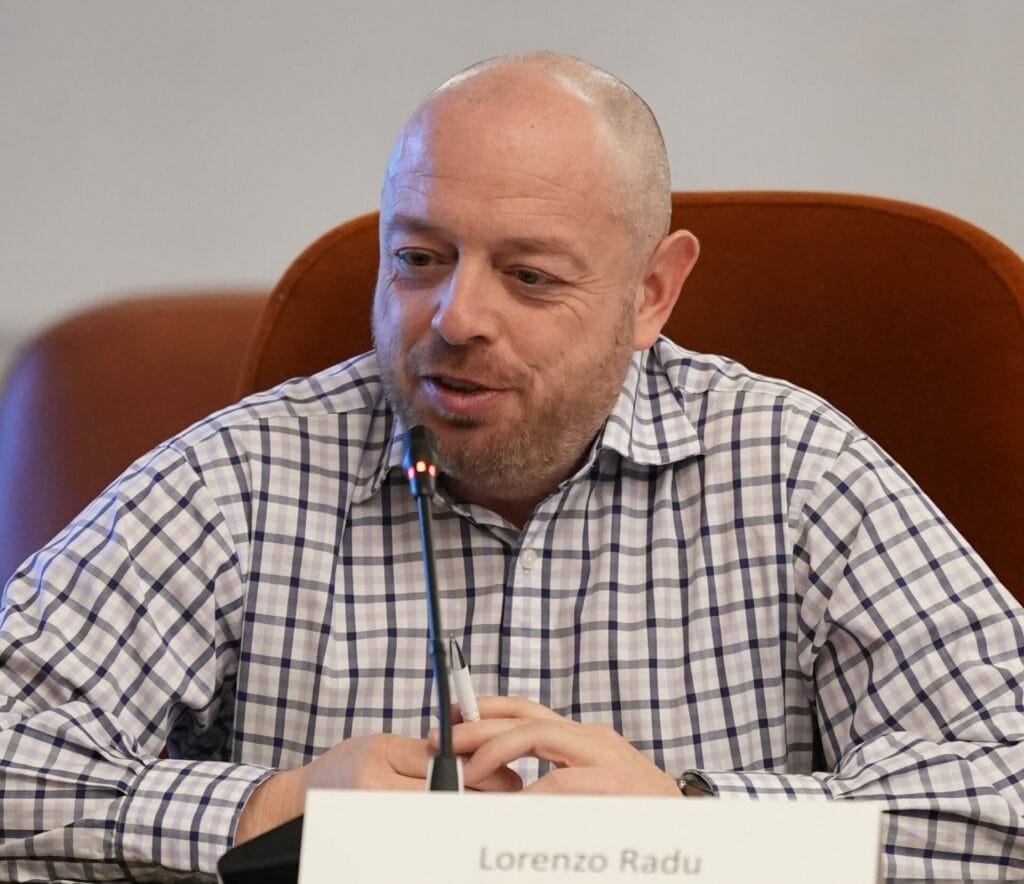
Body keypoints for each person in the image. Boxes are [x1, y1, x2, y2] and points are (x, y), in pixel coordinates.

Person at [1, 51, 1022, 882]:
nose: (456, 318)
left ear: (652, 293)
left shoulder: (795, 469)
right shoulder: (245, 475)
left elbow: (1002, 787)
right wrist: (271, 808)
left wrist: (692, 819)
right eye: (420, 258)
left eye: (528, 276)